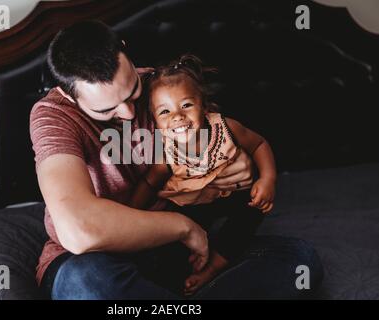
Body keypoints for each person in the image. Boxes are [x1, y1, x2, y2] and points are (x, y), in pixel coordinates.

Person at [30, 20, 323, 299]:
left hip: (171, 251)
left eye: (133, 90)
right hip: (99, 258)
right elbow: (79, 231)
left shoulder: (162, 87)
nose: (130, 113)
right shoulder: (54, 116)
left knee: (299, 261)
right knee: (86, 282)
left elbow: (224, 138)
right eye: (108, 110)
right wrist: (183, 227)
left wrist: (238, 166)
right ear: (69, 96)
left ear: (123, 46)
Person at [128, 54, 276, 295]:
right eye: (164, 112)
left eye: (186, 105)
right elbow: (148, 183)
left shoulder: (226, 128)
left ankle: (216, 265)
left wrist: (267, 179)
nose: (177, 116)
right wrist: (131, 214)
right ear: (154, 120)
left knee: (252, 210)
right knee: (174, 242)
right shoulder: (165, 152)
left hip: (233, 194)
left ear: (204, 106)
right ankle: (189, 267)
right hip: (194, 203)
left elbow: (259, 144)